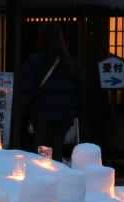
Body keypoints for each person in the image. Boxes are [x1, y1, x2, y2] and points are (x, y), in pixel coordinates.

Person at [15, 23, 83, 161]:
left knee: (41, 151)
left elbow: (26, 90)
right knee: (57, 149)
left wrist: (23, 115)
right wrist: (74, 112)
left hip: (40, 115)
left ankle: (44, 179)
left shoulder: (34, 60)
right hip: (64, 115)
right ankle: (58, 178)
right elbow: (80, 91)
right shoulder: (70, 63)